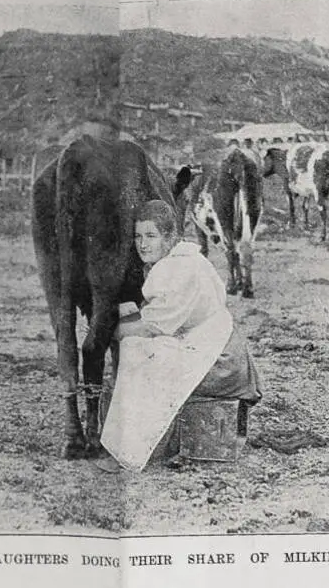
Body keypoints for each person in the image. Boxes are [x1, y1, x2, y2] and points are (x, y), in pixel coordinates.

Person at [97, 200, 262, 472]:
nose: (143, 244)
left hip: (220, 362)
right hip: (221, 350)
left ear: (170, 236)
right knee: (143, 343)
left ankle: (137, 449)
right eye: (138, 236)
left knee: (138, 351)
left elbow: (150, 326)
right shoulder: (187, 258)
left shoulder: (175, 269)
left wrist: (107, 331)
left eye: (151, 236)